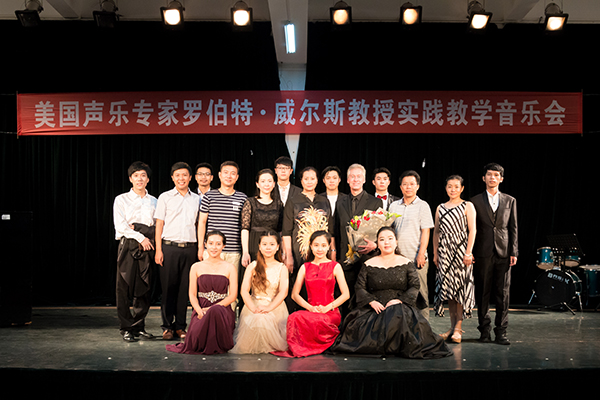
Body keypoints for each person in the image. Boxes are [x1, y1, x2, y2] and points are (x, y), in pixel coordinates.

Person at [330, 227, 452, 359]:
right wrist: (371, 301)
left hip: (400, 307)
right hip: (375, 308)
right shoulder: (368, 264)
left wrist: (400, 300)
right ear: (377, 243)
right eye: (382, 239)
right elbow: (359, 287)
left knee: (397, 315)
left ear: (396, 242)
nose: (386, 242)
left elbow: (414, 286)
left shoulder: (406, 262)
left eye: (390, 239)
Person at [272, 231, 350, 358]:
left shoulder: (335, 266)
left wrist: (327, 307)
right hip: (311, 310)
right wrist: (310, 308)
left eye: (323, 246)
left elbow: (346, 294)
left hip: (329, 312)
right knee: (293, 317)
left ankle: (315, 346)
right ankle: (301, 348)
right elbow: (294, 295)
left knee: (321, 319)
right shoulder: (305, 267)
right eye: (316, 245)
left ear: (329, 247)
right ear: (311, 246)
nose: (320, 249)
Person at [166, 231, 237, 355]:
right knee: (195, 343)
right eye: (211, 243)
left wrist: (211, 309)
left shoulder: (230, 267)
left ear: (223, 246)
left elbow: (232, 296)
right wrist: (199, 310)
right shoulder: (196, 267)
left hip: (222, 310)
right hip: (201, 310)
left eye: (218, 244)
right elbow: (192, 294)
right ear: (205, 244)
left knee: (215, 311)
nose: (214, 247)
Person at [471, 163, 518, 345]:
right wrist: (471, 251)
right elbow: (471, 229)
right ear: (484, 178)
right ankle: (484, 331)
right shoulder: (474, 201)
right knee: (483, 291)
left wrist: (514, 251)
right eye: (489, 174)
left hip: (504, 252)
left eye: (496, 175)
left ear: (501, 179)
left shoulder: (510, 200)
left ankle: (501, 332)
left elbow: (513, 227)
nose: (492, 178)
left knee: (503, 293)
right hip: (482, 252)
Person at [155, 162, 199, 340]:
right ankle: (167, 327)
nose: (181, 178)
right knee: (168, 288)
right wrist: (158, 250)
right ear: (173, 178)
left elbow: (199, 224)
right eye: (178, 175)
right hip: (169, 247)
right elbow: (159, 224)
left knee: (185, 289)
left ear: (190, 178)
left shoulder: (197, 199)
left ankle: (180, 326)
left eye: (185, 175)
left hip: (190, 248)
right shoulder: (165, 197)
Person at [113, 161, 157, 342]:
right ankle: (126, 327)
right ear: (130, 178)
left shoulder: (154, 201)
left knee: (144, 287)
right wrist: (140, 236)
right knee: (123, 287)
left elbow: (157, 226)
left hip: (148, 246)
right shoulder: (121, 199)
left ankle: (138, 326)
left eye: (143, 176)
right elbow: (121, 226)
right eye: (136, 176)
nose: (140, 179)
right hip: (128, 244)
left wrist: (143, 232)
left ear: (148, 179)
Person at [282, 166, 335, 312]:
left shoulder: (324, 201)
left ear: (317, 181)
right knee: (300, 285)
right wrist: (288, 255)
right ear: (301, 181)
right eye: (306, 179)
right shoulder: (293, 201)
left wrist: (333, 251)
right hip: (299, 251)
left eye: (312, 178)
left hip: (322, 251)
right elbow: (286, 231)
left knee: (321, 284)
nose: (309, 181)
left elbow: (330, 231)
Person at [432, 175, 477, 343]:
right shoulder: (440, 207)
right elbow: (436, 232)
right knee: (449, 291)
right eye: (450, 186)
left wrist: (468, 252)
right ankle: (452, 327)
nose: (453, 189)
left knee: (460, 290)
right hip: (445, 252)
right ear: (446, 188)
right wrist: (435, 253)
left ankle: (458, 328)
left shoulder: (467, 206)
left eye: (456, 186)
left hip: (461, 252)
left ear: (462, 188)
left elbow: (472, 230)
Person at [334, 164, 383, 315]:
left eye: (359, 176)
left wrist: (375, 245)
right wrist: (335, 253)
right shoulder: (340, 202)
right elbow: (336, 230)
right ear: (348, 180)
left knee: (366, 297)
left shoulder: (375, 202)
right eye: (352, 176)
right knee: (345, 296)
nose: (355, 179)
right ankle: (345, 326)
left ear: (364, 180)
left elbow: (381, 229)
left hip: (367, 256)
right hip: (345, 258)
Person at [230, 231, 289, 354]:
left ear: (278, 247)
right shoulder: (253, 266)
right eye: (264, 244)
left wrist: (268, 308)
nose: (268, 247)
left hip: (275, 306)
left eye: (272, 244)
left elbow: (283, 292)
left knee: (264, 319)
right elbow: (244, 290)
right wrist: (253, 308)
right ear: (259, 246)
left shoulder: (282, 268)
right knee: (258, 318)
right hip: (254, 305)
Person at [197, 161, 247, 300]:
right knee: (208, 288)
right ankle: (207, 314)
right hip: (211, 250)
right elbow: (202, 222)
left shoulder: (242, 198)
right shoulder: (209, 196)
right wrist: (201, 247)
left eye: (232, 173)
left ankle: (228, 315)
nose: (229, 176)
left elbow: (244, 226)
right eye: (226, 173)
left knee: (230, 290)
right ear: (219, 175)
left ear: (237, 177)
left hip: (233, 251)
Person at [389, 170, 434, 320]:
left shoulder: (423, 206)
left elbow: (426, 231)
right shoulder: (394, 206)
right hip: (397, 259)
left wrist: (421, 254)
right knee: (400, 295)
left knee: (420, 295)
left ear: (417, 186)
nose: (408, 187)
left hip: (416, 258)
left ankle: (423, 328)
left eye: (412, 184)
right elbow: (390, 230)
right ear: (400, 187)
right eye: (405, 184)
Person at [241, 169, 283, 267]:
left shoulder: (279, 204)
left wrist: (282, 251)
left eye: (269, 181)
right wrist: (245, 252)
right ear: (257, 184)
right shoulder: (250, 202)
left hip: (272, 245)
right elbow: (245, 229)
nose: (266, 184)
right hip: (254, 244)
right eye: (263, 181)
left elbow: (280, 230)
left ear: (274, 184)